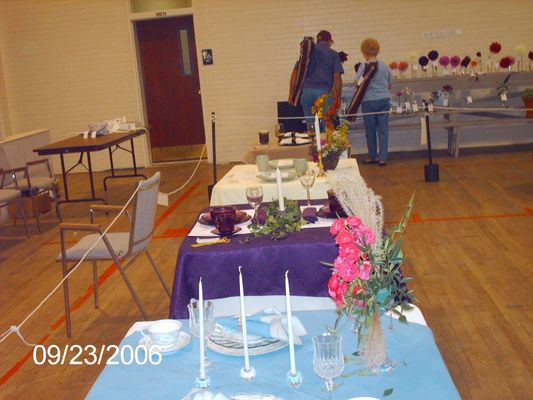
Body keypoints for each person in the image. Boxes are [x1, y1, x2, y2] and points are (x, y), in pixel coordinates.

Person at [290, 30, 344, 120]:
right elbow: (337, 77)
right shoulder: (333, 54)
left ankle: (312, 132)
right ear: (329, 41)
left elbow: (295, 73)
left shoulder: (306, 52)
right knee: (326, 125)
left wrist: (291, 93)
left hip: (306, 93)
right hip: (323, 93)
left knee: (311, 126)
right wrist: (338, 97)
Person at [355, 38, 391, 166]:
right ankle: (383, 158)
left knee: (370, 130)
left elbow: (356, 83)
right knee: (383, 130)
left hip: (369, 102)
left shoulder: (363, 66)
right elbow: (389, 85)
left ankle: (372, 156)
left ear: (364, 52)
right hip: (384, 100)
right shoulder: (385, 66)